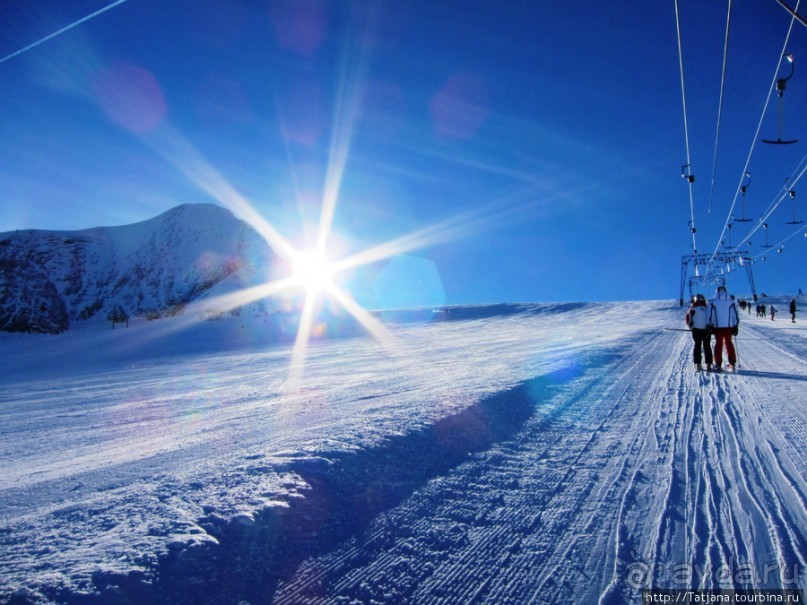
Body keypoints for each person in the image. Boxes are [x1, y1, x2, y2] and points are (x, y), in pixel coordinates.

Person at [708, 285, 739, 371]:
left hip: (718, 327)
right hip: (729, 326)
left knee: (719, 344)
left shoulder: (713, 301)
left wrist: (710, 324)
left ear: (717, 291)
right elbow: (735, 313)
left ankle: (718, 363)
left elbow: (710, 314)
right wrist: (736, 325)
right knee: (729, 343)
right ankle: (732, 362)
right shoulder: (731, 300)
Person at [685, 294, 713, 371]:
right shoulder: (707, 308)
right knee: (707, 346)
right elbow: (711, 318)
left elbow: (688, 319)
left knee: (697, 346)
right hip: (706, 330)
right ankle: (709, 363)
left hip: (696, 330)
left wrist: (691, 327)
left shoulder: (692, 308)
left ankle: (697, 363)